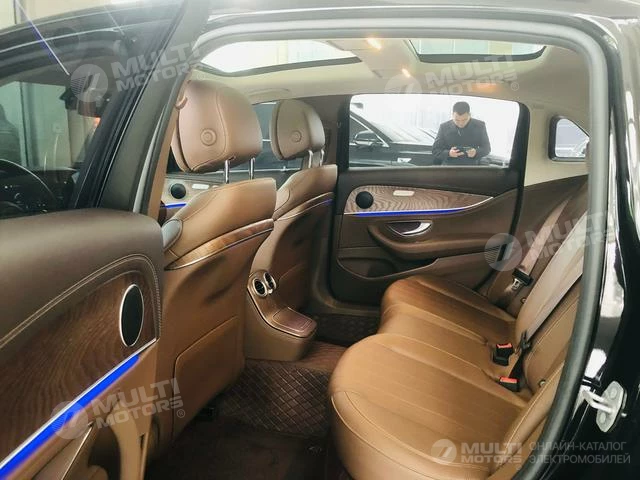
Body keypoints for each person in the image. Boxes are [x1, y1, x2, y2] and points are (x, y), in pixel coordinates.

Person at [432, 101, 491, 166]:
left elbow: (487, 148)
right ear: (452, 115)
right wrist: (449, 153)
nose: (460, 123)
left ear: (469, 115)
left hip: (472, 167)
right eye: (457, 120)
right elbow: (435, 150)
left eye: (464, 120)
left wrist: (476, 152)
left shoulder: (480, 126)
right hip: (449, 167)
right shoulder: (444, 127)